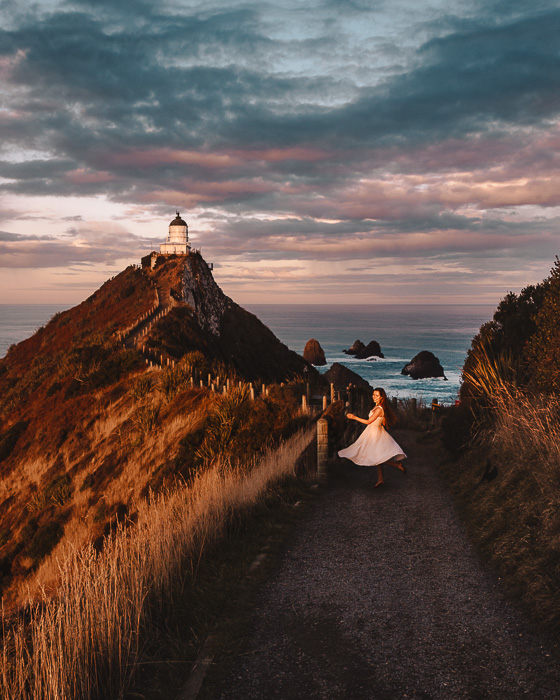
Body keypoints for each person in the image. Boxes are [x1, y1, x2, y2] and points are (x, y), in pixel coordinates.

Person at [338, 387, 407, 488]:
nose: (374, 397)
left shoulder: (379, 409)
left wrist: (354, 417)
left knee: (376, 456)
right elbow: (379, 420)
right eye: (373, 395)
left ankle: (396, 465)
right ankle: (380, 479)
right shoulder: (377, 407)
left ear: (381, 398)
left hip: (375, 434)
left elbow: (368, 422)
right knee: (377, 455)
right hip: (372, 432)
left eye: (377, 396)